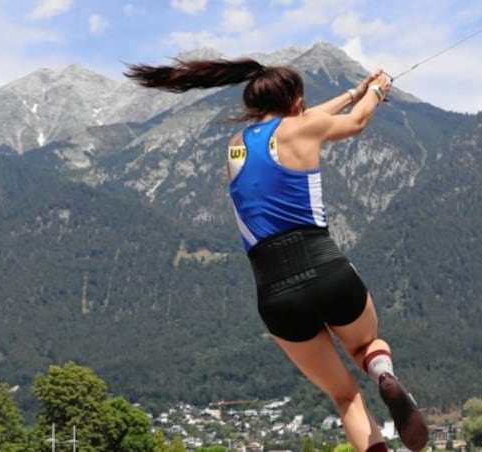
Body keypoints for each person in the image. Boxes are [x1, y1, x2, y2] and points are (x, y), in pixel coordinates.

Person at [124, 57, 428, 452]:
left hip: (276, 293)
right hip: (326, 267)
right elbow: (354, 122)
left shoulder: (236, 147)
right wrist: (376, 91)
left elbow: (300, 121)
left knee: (345, 396)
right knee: (363, 346)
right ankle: (384, 374)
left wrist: (354, 91)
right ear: (297, 100)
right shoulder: (303, 126)